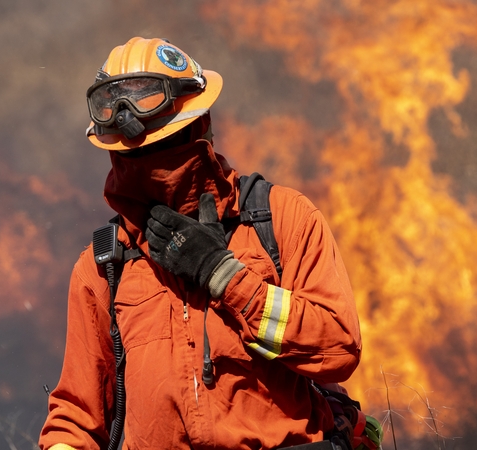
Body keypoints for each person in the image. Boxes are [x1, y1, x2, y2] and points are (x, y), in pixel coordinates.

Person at [38, 37, 362, 450]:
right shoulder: (106, 264)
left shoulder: (279, 218)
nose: (151, 166)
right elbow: (76, 418)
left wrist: (223, 276)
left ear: (199, 128)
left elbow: (337, 347)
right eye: (137, 155)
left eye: (162, 147)